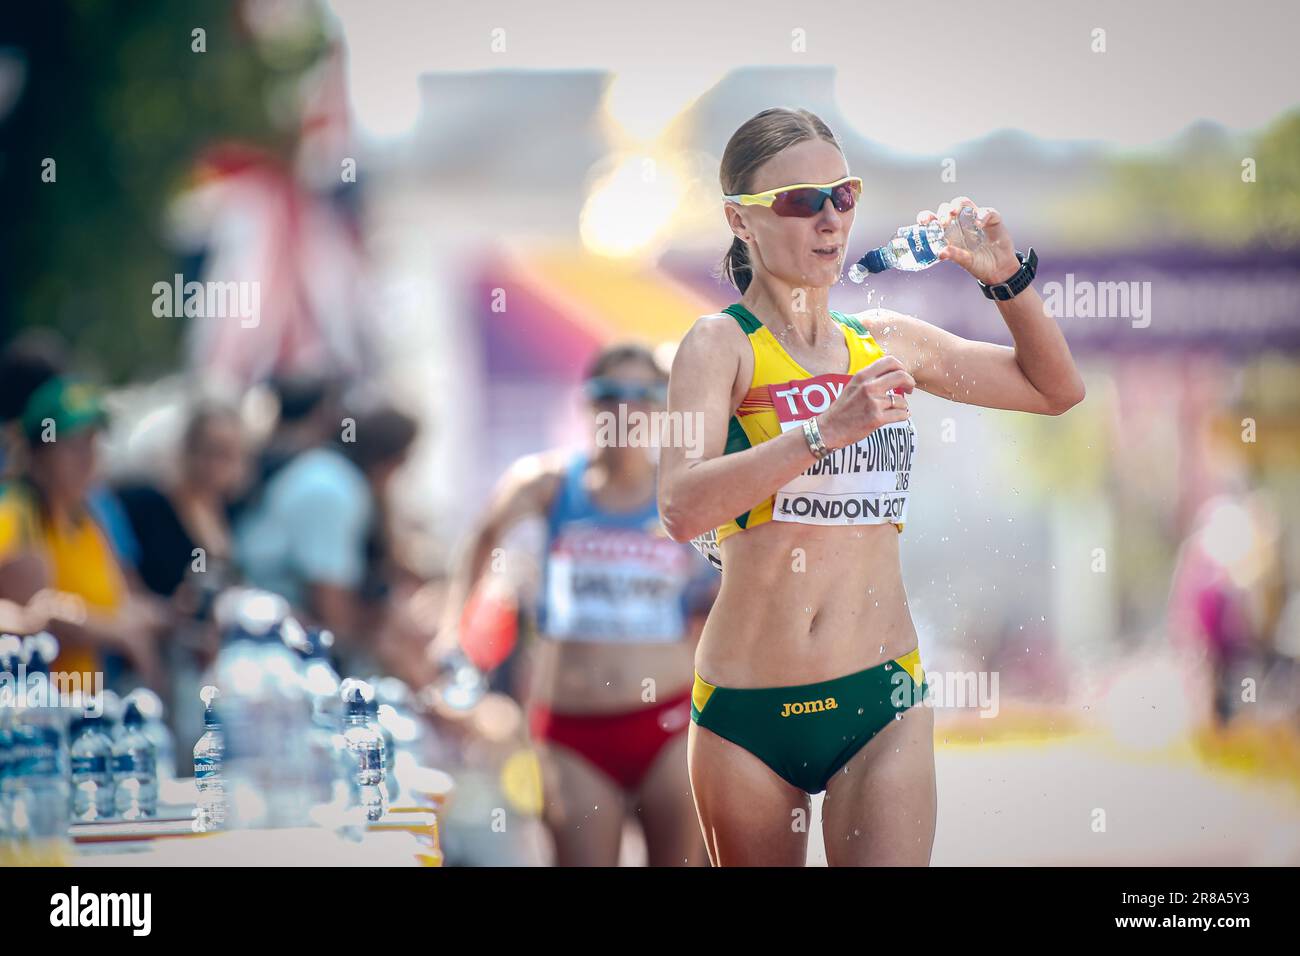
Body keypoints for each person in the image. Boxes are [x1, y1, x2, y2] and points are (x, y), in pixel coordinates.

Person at [658, 107, 1085, 866]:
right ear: (741, 220)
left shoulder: (883, 340)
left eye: (842, 196)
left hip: (880, 698)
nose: (829, 220)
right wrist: (823, 431)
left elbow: (1054, 391)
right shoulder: (719, 344)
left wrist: (1006, 282)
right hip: (747, 712)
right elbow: (680, 506)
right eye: (800, 201)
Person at [432, 344, 715, 866]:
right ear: (588, 404)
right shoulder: (548, 484)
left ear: (661, 408)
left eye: (642, 396)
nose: (625, 411)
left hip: (669, 722)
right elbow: (482, 537)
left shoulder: (684, 491)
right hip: (573, 729)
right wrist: (454, 630)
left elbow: (733, 580)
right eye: (610, 395)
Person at [234, 399, 418, 677]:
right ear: (391, 458)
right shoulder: (332, 488)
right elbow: (329, 597)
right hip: (264, 640)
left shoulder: (337, 478)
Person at [0, 376, 163, 683]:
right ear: (39, 452)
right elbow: (35, 614)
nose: (88, 458)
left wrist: (173, 616)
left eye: (92, 444)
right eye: (73, 446)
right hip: (32, 713)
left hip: (86, 704)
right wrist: (112, 632)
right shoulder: (14, 513)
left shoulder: (86, 520)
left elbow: (120, 602)